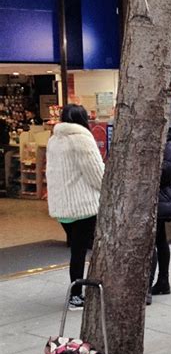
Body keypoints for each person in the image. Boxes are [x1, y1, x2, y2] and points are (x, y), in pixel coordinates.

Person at [46, 104, 104, 310]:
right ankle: (76, 295)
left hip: (62, 207)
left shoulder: (54, 140)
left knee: (78, 248)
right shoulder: (82, 139)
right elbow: (96, 173)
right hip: (82, 205)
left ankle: (80, 290)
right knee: (81, 251)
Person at [148, 126, 171, 304]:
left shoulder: (168, 145)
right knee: (159, 240)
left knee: (153, 242)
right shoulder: (165, 143)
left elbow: (167, 172)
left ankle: (151, 284)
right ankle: (162, 281)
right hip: (158, 200)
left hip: (161, 200)